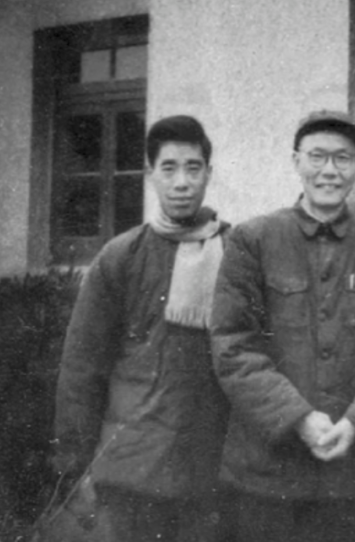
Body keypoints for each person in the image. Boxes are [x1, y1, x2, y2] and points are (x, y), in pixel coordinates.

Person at [210, 110, 355, 542]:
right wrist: (298, 417)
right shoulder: (253, 240)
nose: (329, 170)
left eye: (342, 158)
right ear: (296, 161)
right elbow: (233, 344)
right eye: (317, 157)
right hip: (267, 473)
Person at [54, 115, 232, 542]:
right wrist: (73, 468)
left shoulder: (235, 253)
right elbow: (82, 369)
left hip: (210, 467)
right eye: (169, 168)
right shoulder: (120, 257)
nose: (182, 182)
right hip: (132, 470)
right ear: (151, 175)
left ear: (209, 173)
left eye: (193, 168)